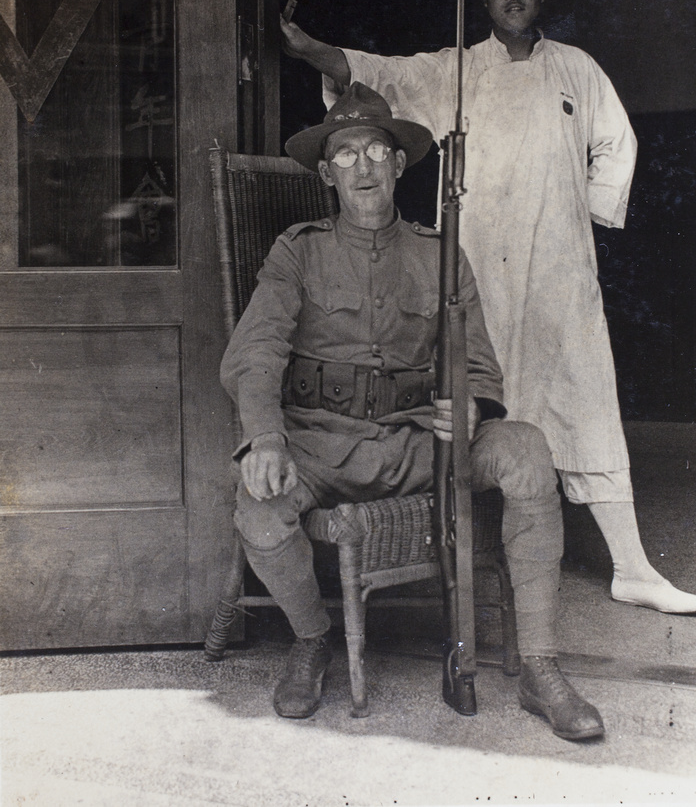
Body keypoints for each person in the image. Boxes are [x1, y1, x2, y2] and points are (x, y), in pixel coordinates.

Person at [279, 0, 696, 616]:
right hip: (483, 272)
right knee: (488, 407)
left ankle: (633, 567)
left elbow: (617, 141)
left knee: (586, 402)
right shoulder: (456, 72)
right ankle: (480, 558)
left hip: (561, 273)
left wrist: (583, 211)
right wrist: (308, 49)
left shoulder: (576, 70)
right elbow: (375, 72)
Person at [220, 80, 604, 741]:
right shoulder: (298, 251)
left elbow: (481, 363)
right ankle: (313, 640)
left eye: (377, 150)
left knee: (529, 451)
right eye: (346, 154)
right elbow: (254, 354)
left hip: (418, 444)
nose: (363, 165)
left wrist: (475, 407)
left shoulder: (439, 254)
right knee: (258, 507)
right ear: (326, 172)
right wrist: (265, 438)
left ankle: (542, 669)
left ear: (399, 166)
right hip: (322, 445)